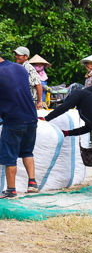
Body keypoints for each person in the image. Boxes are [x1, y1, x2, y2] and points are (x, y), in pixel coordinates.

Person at [0, 55, 39, 198]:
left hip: (14, 120)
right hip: (31, 118)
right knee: (27, 151)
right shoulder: (20, 68)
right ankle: (33, 184)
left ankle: (11, 191)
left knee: (10, 157)